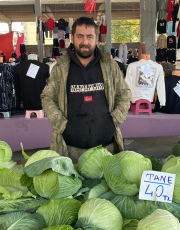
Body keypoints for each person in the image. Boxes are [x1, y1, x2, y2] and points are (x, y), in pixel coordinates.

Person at [41, 17, 131, 161]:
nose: (85, 42)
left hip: (106, 149)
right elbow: (47, 97)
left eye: (89, 37)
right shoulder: (61, 67)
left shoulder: (109, 65)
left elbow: (124, 94)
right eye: (80, 37)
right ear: (72, 38)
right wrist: (62, 125)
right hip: (70, 151)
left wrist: (114, 120)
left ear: (96, 38)